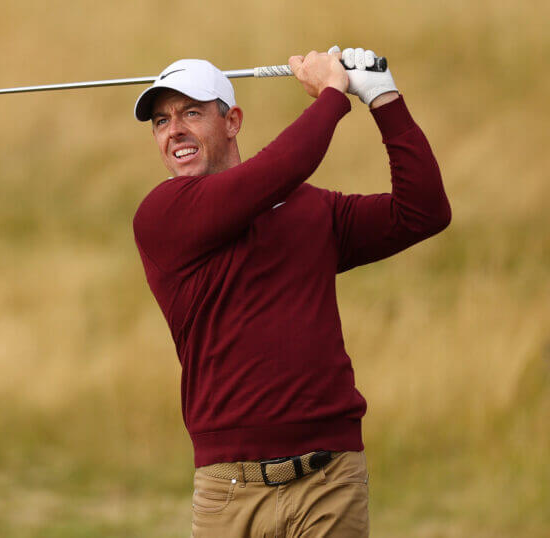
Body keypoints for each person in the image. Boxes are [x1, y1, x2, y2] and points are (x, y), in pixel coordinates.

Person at [131, 46, 451, 537]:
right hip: (227, 491)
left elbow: (422, 211)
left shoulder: (313, 211)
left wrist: (383, 96)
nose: (173, 130)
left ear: (232, 121)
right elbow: (274, 173)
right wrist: (331, 94)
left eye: (191, 113)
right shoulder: (162, 216)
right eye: (160, 121)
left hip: (329, 482)